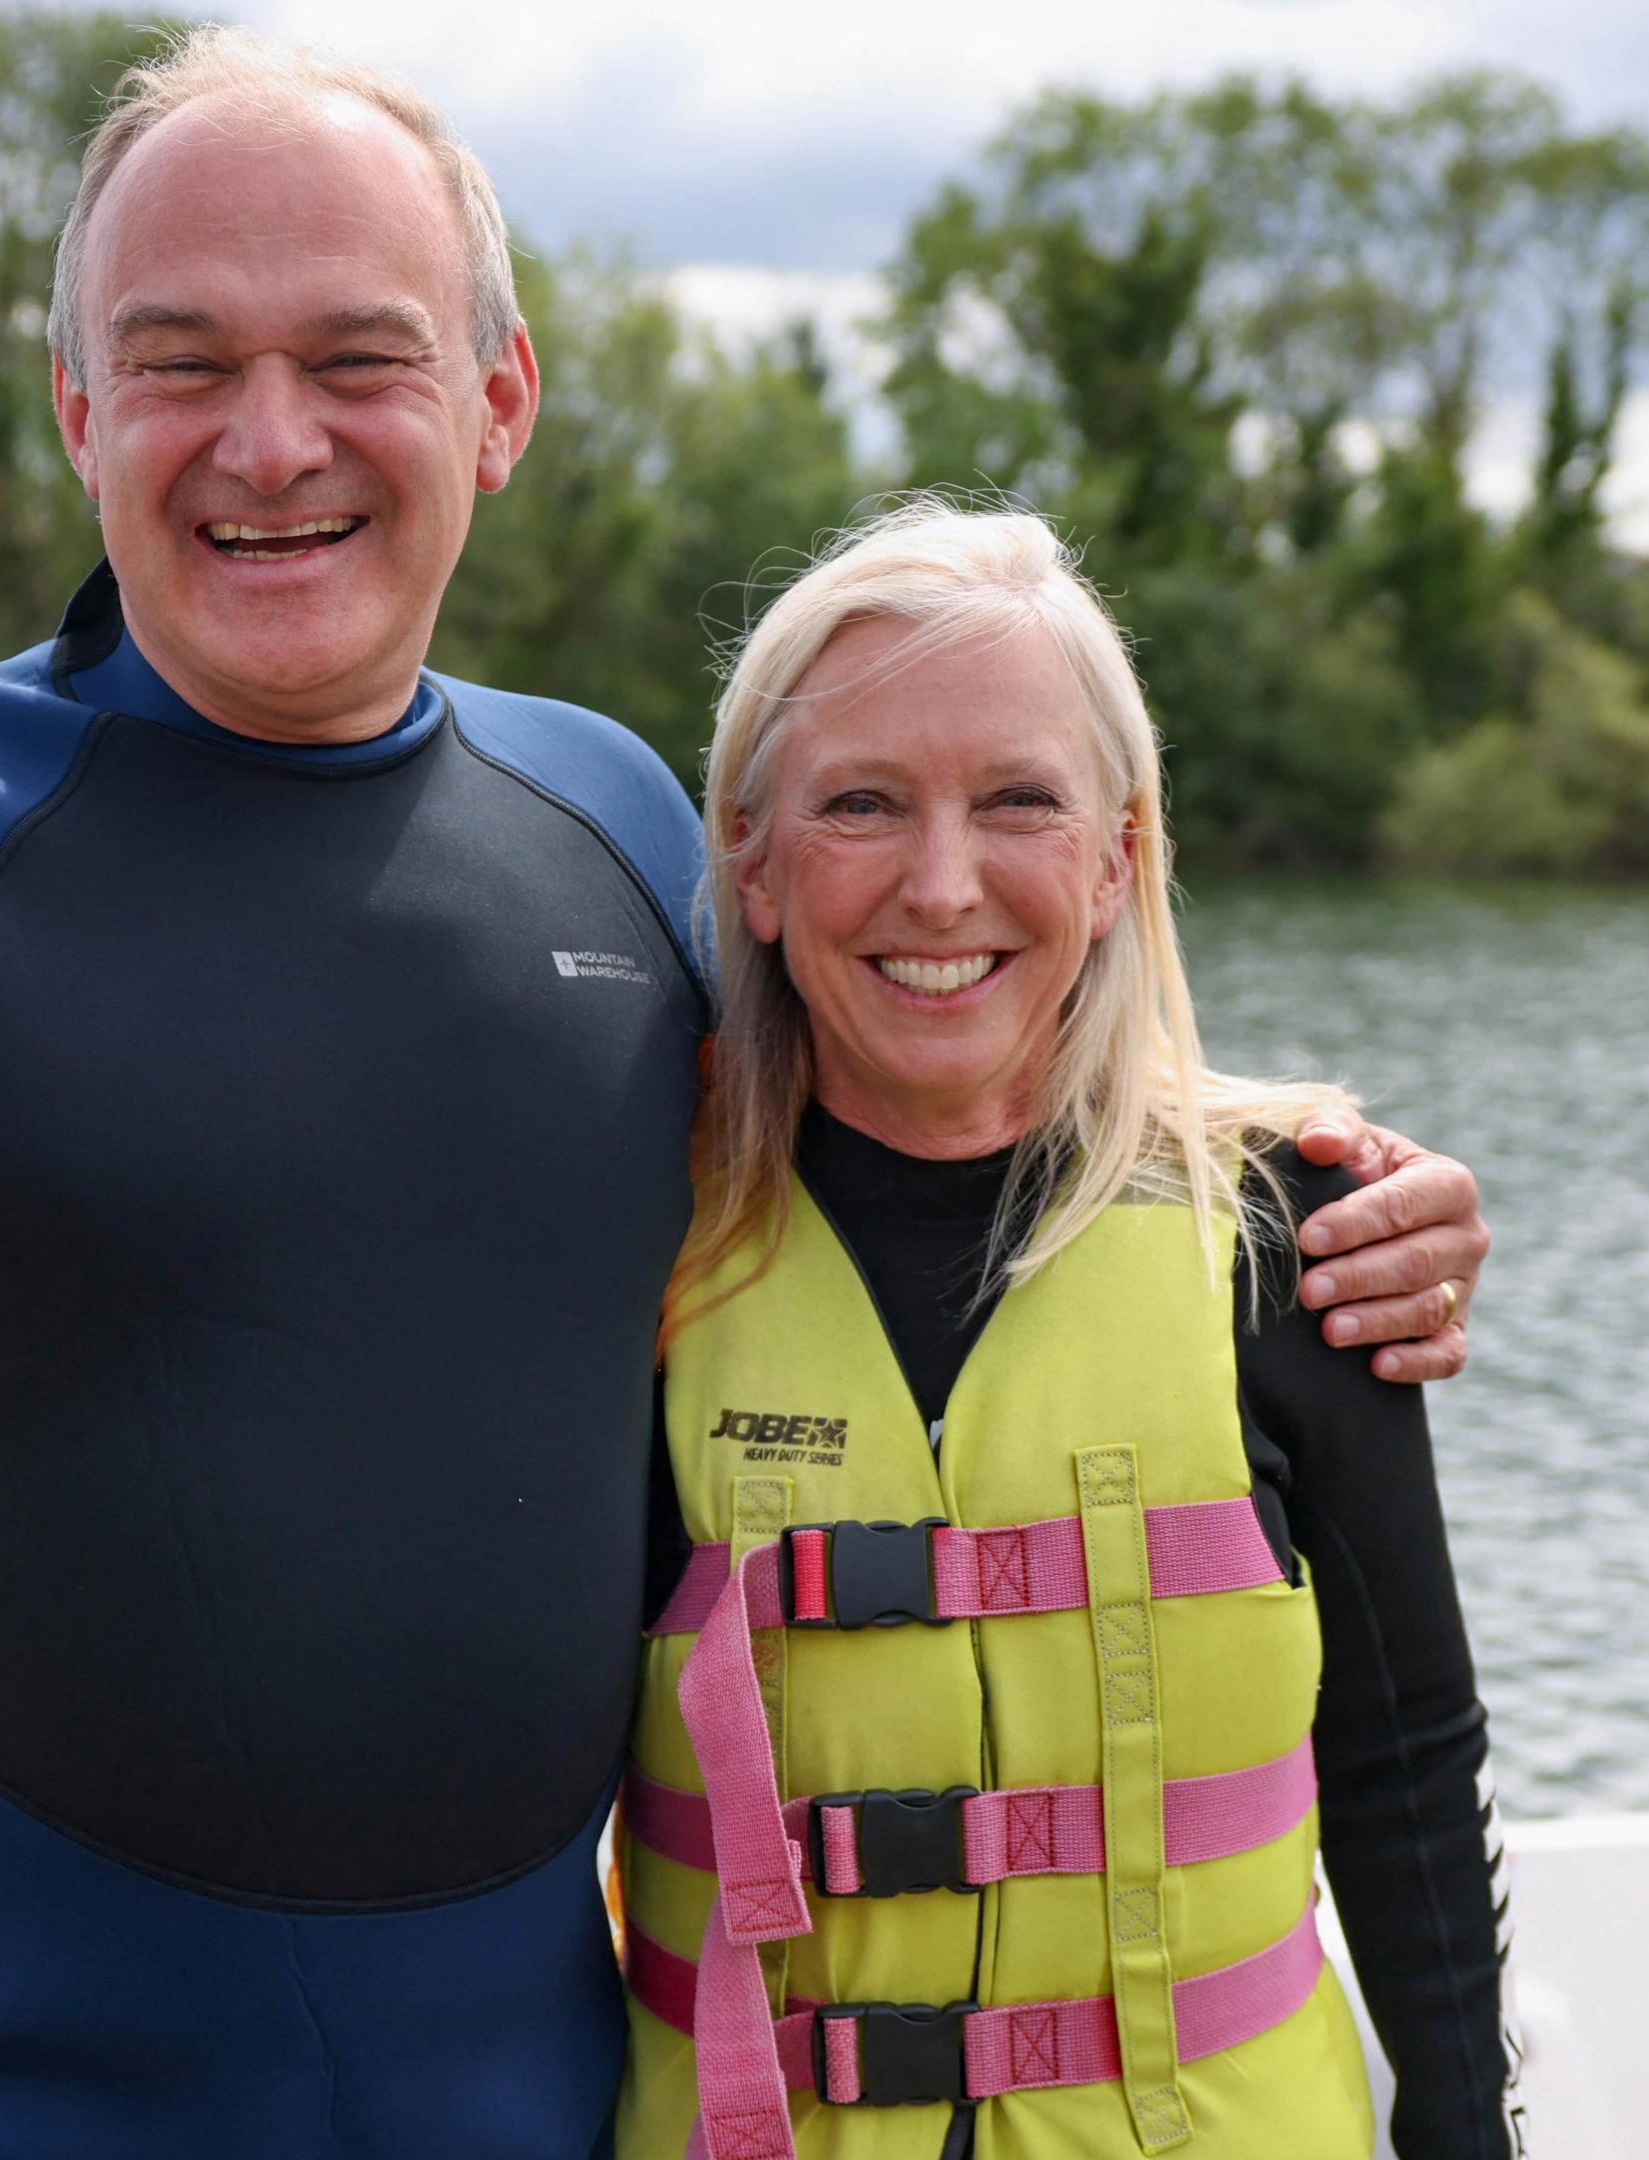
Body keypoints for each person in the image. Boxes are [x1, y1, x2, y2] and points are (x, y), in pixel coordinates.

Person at [0, 32, 1492, 2160]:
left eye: (356, 359)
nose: (271, 442)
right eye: (181, 363)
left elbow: (949, 1065)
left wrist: (1325, 1196)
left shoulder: (622, 827)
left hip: (538, 2111)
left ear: (498, 401)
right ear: (76, 406)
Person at [617, 504, 1508, 2160]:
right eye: (861, 803)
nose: (941, 885)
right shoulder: (632, 1266)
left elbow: (1407, 1768)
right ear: (753, 864)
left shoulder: (1298, 1244)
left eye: (1018, 801)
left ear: (1118, 857)